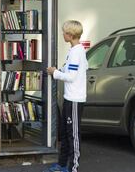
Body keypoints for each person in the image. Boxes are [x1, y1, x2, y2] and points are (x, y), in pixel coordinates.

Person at [45, 20, 88, 172]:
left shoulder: (77, 52)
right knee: (64, 133)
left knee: (73, 135)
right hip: (69, 98)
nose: (62, 34)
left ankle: (73, 168)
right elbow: (71, 70)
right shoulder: (74, 51)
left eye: (64, 32)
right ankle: (62, 165)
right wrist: (58, 70)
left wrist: (54, 73)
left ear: (70, 35)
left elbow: (71, 76)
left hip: (75, 100)